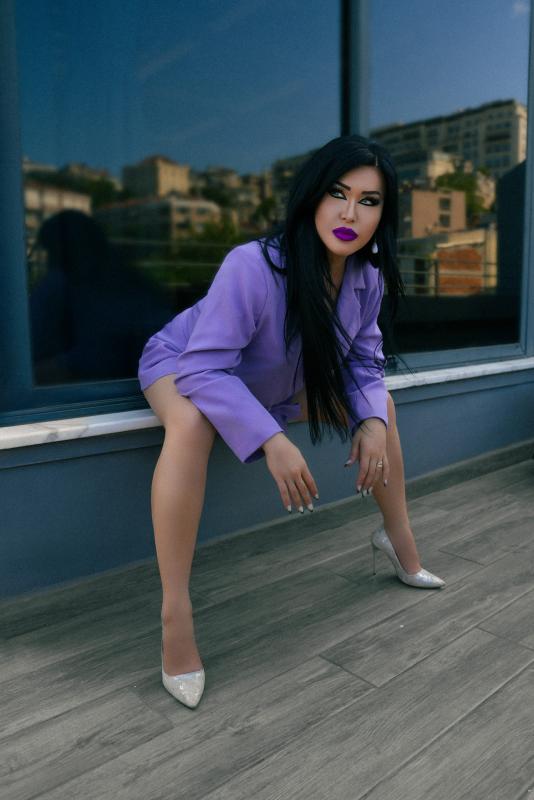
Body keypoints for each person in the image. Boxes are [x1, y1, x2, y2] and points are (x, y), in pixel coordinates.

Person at [137, 133, 445, 710]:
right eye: (337, 194)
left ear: (383, 215)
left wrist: (371, 423)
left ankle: (400, 540)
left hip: (277, 386)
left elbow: (364, 362)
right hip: (185, 362)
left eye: (369, 201)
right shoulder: (252, 265)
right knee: (192, 424)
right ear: (312, 197)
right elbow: (204, 368)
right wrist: (271, 440)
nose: (350, 214)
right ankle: (175, 613)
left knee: (381, 408)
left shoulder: (367, 276)